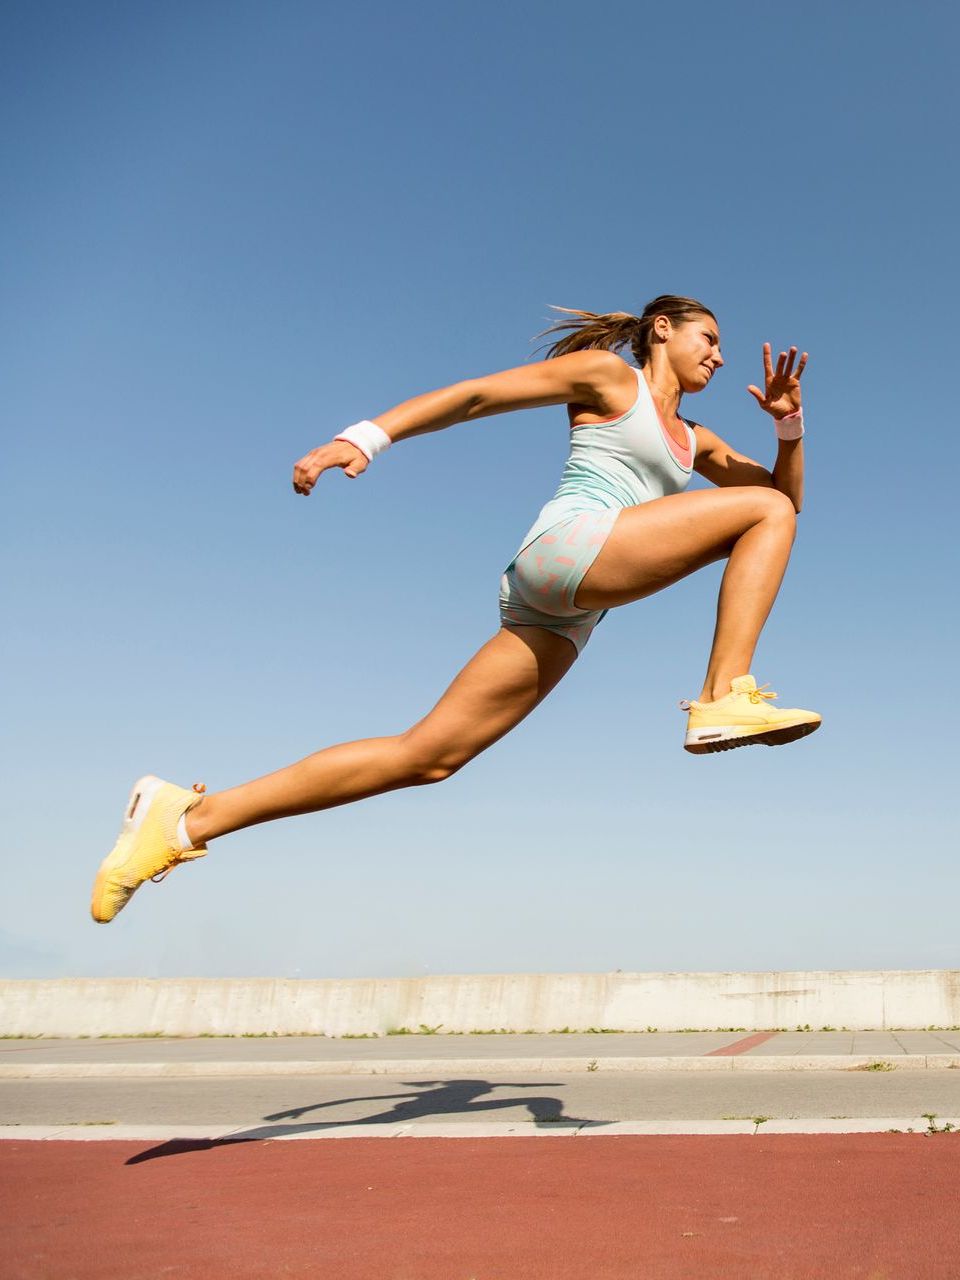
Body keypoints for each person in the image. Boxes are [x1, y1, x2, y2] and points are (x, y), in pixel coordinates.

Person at [91, 294, 820, 924]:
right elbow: (476, 396)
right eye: (710, 339)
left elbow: (785, 506)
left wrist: (788, 427)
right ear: (661, 329)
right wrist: (364, 437)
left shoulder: (697, 442)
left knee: (430, 756)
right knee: (756, 512)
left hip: (568, 610)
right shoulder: (609, 378)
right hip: (570, 546)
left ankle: (185, 820)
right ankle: (724, 695)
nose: (719, 358)